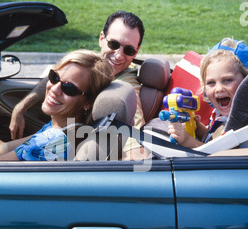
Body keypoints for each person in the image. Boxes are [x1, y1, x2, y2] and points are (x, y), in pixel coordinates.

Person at [9, 10, 147, 159]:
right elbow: (59, 78)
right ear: (102, 39)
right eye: (113, 44)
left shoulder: (125, 87)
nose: (119, 55)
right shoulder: (93, 65)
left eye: (129, 50)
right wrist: (20, 107)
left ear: (136, 51)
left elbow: (134, 141)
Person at [167, 38, 248, 148]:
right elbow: (215, 138)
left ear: (247, 81)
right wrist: (199, 128)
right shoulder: (219, 113)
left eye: (227, 80)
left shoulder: (239, 121)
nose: (219, 88)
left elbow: (217, 156)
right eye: (211, 82)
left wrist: (187, 141)